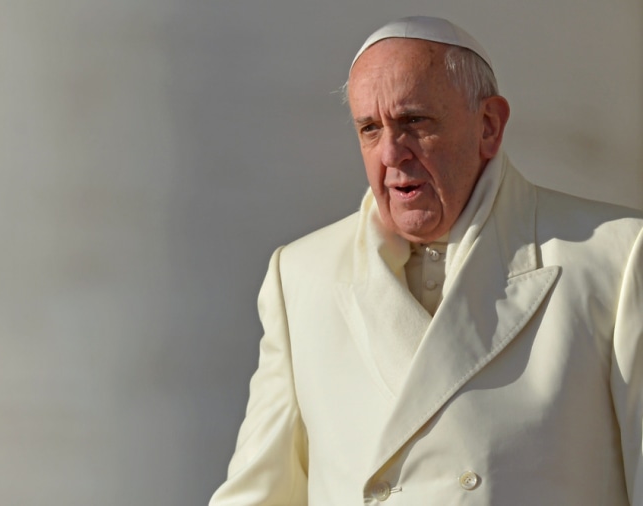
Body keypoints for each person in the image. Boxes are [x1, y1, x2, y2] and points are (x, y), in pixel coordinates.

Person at [209, 16, 643, 506]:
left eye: (414, 121)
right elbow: (256, 494)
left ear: (489, 126)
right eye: (370, 128)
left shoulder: (618, 256)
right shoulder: (301, 275)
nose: (392, 153)